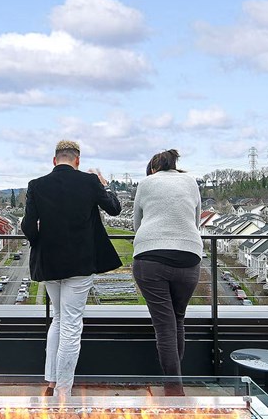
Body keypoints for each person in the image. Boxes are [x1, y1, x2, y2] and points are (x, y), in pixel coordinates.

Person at [21, 140, 122, 398]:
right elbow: (114, 208)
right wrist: (103, 184)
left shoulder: (36, 185)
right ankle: (63, 391)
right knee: (71, 325)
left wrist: (39, 241)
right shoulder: (89, 183)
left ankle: (53, 380)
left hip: (49, 263)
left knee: (58, 318)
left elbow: (28, 226)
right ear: (78, 160)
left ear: (54, 160)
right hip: (80, 263)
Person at [131, 149, 203, 395]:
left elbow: (137, 223)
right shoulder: (191, 182)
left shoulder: (146, 183)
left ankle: (174, 386)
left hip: (150, 256)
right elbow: (195, 221)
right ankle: (175, 382)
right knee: (178, 318)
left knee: (164, 325)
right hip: (189, 254)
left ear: (152, 168)